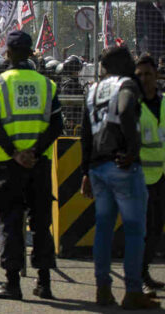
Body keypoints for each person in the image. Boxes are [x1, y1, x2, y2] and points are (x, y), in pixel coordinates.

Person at [0, 30, 63, 301]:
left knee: (11, 223)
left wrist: (15, 153)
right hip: (39, 165)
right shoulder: (46, 85)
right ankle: (45, 282)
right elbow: (57, 124)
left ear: (7, 53)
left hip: (8, 165)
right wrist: (34, 152)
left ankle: (12, 283)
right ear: (31, 53)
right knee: (41, 223)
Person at [81, 46, 158, 309]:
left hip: (97, 167)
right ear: (124, 63)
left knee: (103, 229)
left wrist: (85, 172)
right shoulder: (126, 84)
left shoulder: (93, 90)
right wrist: (132, 150)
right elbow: (125, 110)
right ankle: (133, 291)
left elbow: (84, 133)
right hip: (122, 165)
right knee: (135, 230)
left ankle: (103, 289)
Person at [135, 55, 165, 297]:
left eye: (148, 74)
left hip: (162, 176)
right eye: (140, 74)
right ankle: (139, 277)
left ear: (157, 75)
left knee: (156, 229)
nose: (144, 78)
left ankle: (144, 274)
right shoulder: (133, 106)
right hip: (140, 177)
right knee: (142, 230)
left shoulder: (164, 105)